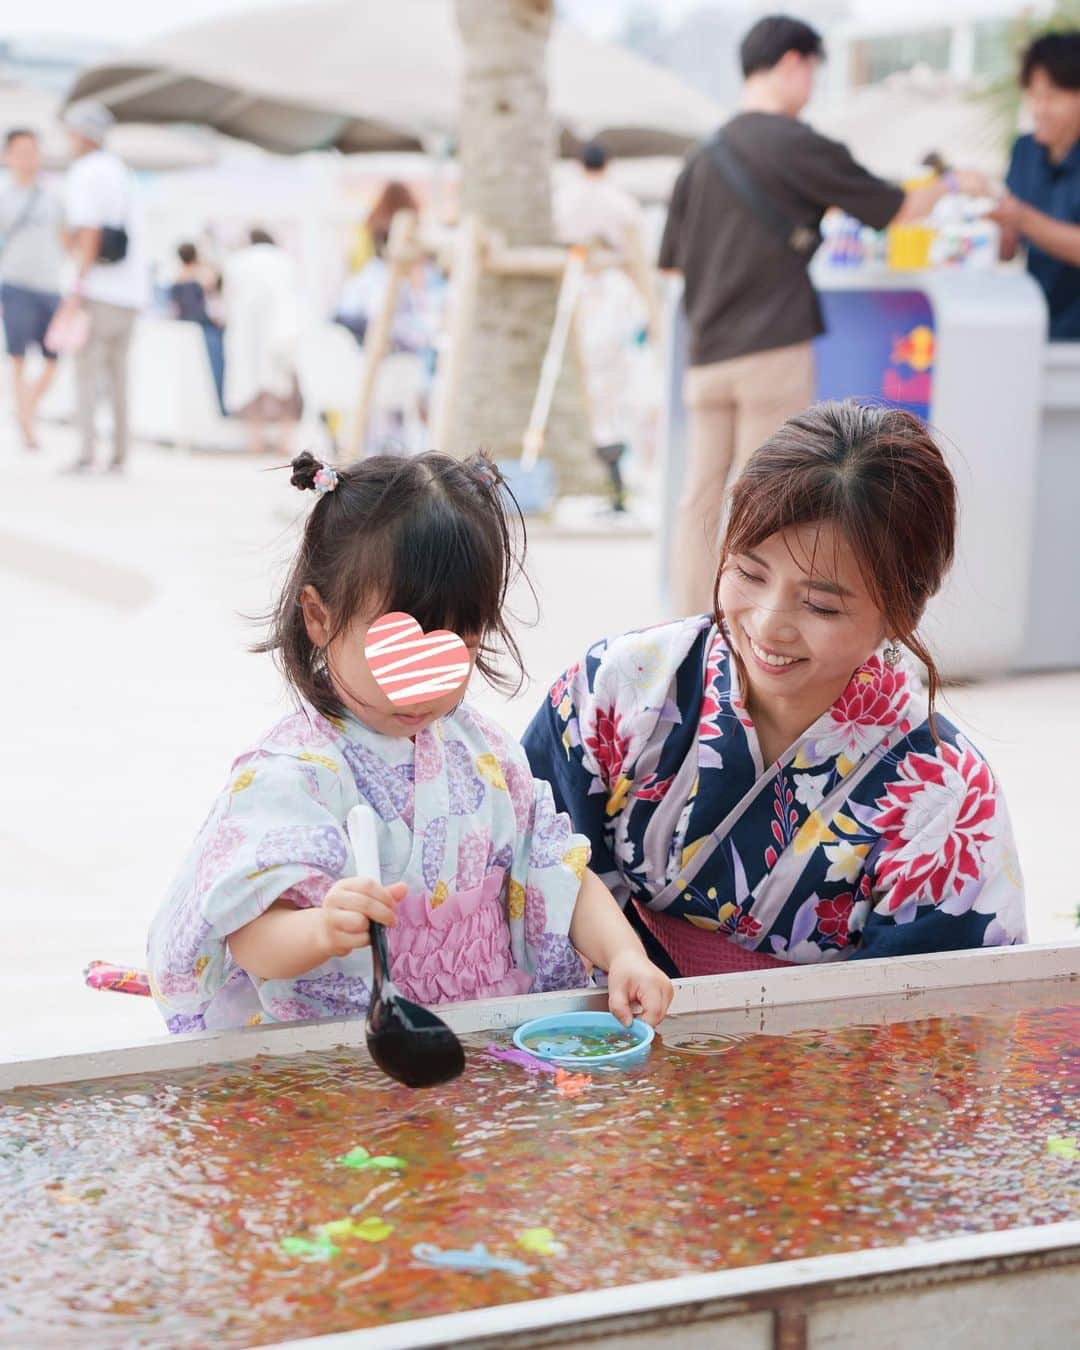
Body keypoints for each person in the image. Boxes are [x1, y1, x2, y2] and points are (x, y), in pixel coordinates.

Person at [147, 450, 674, 1033]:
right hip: (342, 1056)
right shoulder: (295, 773)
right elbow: (251, 932)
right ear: (319, 617)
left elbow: (557, 872)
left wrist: (625, 955)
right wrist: (319, 929)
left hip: (479, 1039)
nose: (425, 682)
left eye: (458, 644)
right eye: (399, 646)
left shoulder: (488, 756)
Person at [523, 402, 1027, 979]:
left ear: (900, 614)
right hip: (604, 1040)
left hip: (826, 1062)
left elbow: (934, 1026)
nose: (766, 625)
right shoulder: (622, 685)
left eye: (820, 605)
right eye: (749, 573)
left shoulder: (944, 801)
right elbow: (516, 854)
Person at [659, 14, 989, 616]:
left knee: (700, 500)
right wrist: (947, 182)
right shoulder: (798, 144)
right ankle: (752, 628)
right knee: (772, 496)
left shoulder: (699, 157)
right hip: (772, 348)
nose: (811, 85)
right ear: (792, 63)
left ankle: (691, 632)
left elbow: (670, 267)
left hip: (705, 358)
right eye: (812, 71)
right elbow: (898, 209)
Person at [56, 99, 148, 475]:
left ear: (82, 134)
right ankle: (120, 453)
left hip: (99, 290)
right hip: (130, 291)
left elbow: (89, 230)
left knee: (87, 374)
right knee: (119, 375)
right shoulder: (121, 170)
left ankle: (86, 452)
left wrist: (78, 285)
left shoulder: (85, 172)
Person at [991, 32, 1080, 340]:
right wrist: (996, 224)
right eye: (1033, 95)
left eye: (1052, 96)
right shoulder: (1024, 150)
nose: (1039, 109)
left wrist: (1022, 218)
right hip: (1035, 323)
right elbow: (1007, 250)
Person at [0, 127, 64, 449]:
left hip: (50, 285)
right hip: (15, 284)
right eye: (22, 152)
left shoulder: (54, 196)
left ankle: (25, 409)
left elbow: (67, 239)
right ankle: (27, 423)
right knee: (19, 358)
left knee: (55, 357)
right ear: (7, 156)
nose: (28, 159)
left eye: (34, 152)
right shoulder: (3, 195)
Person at [223, 227, 302, 456]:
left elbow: (229, 297)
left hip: (246, 332)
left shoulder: (238, 261)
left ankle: (254, 441)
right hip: (281, 330)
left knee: (250, 386)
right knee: (284, 386)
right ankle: (286, 441)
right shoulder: (285, 261)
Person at [169, 241, 225, 412]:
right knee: (215, 368)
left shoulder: (178, 277)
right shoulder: (202, 274)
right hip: (205, 327)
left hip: (186, 328)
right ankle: (219, 407)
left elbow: (174, 308)